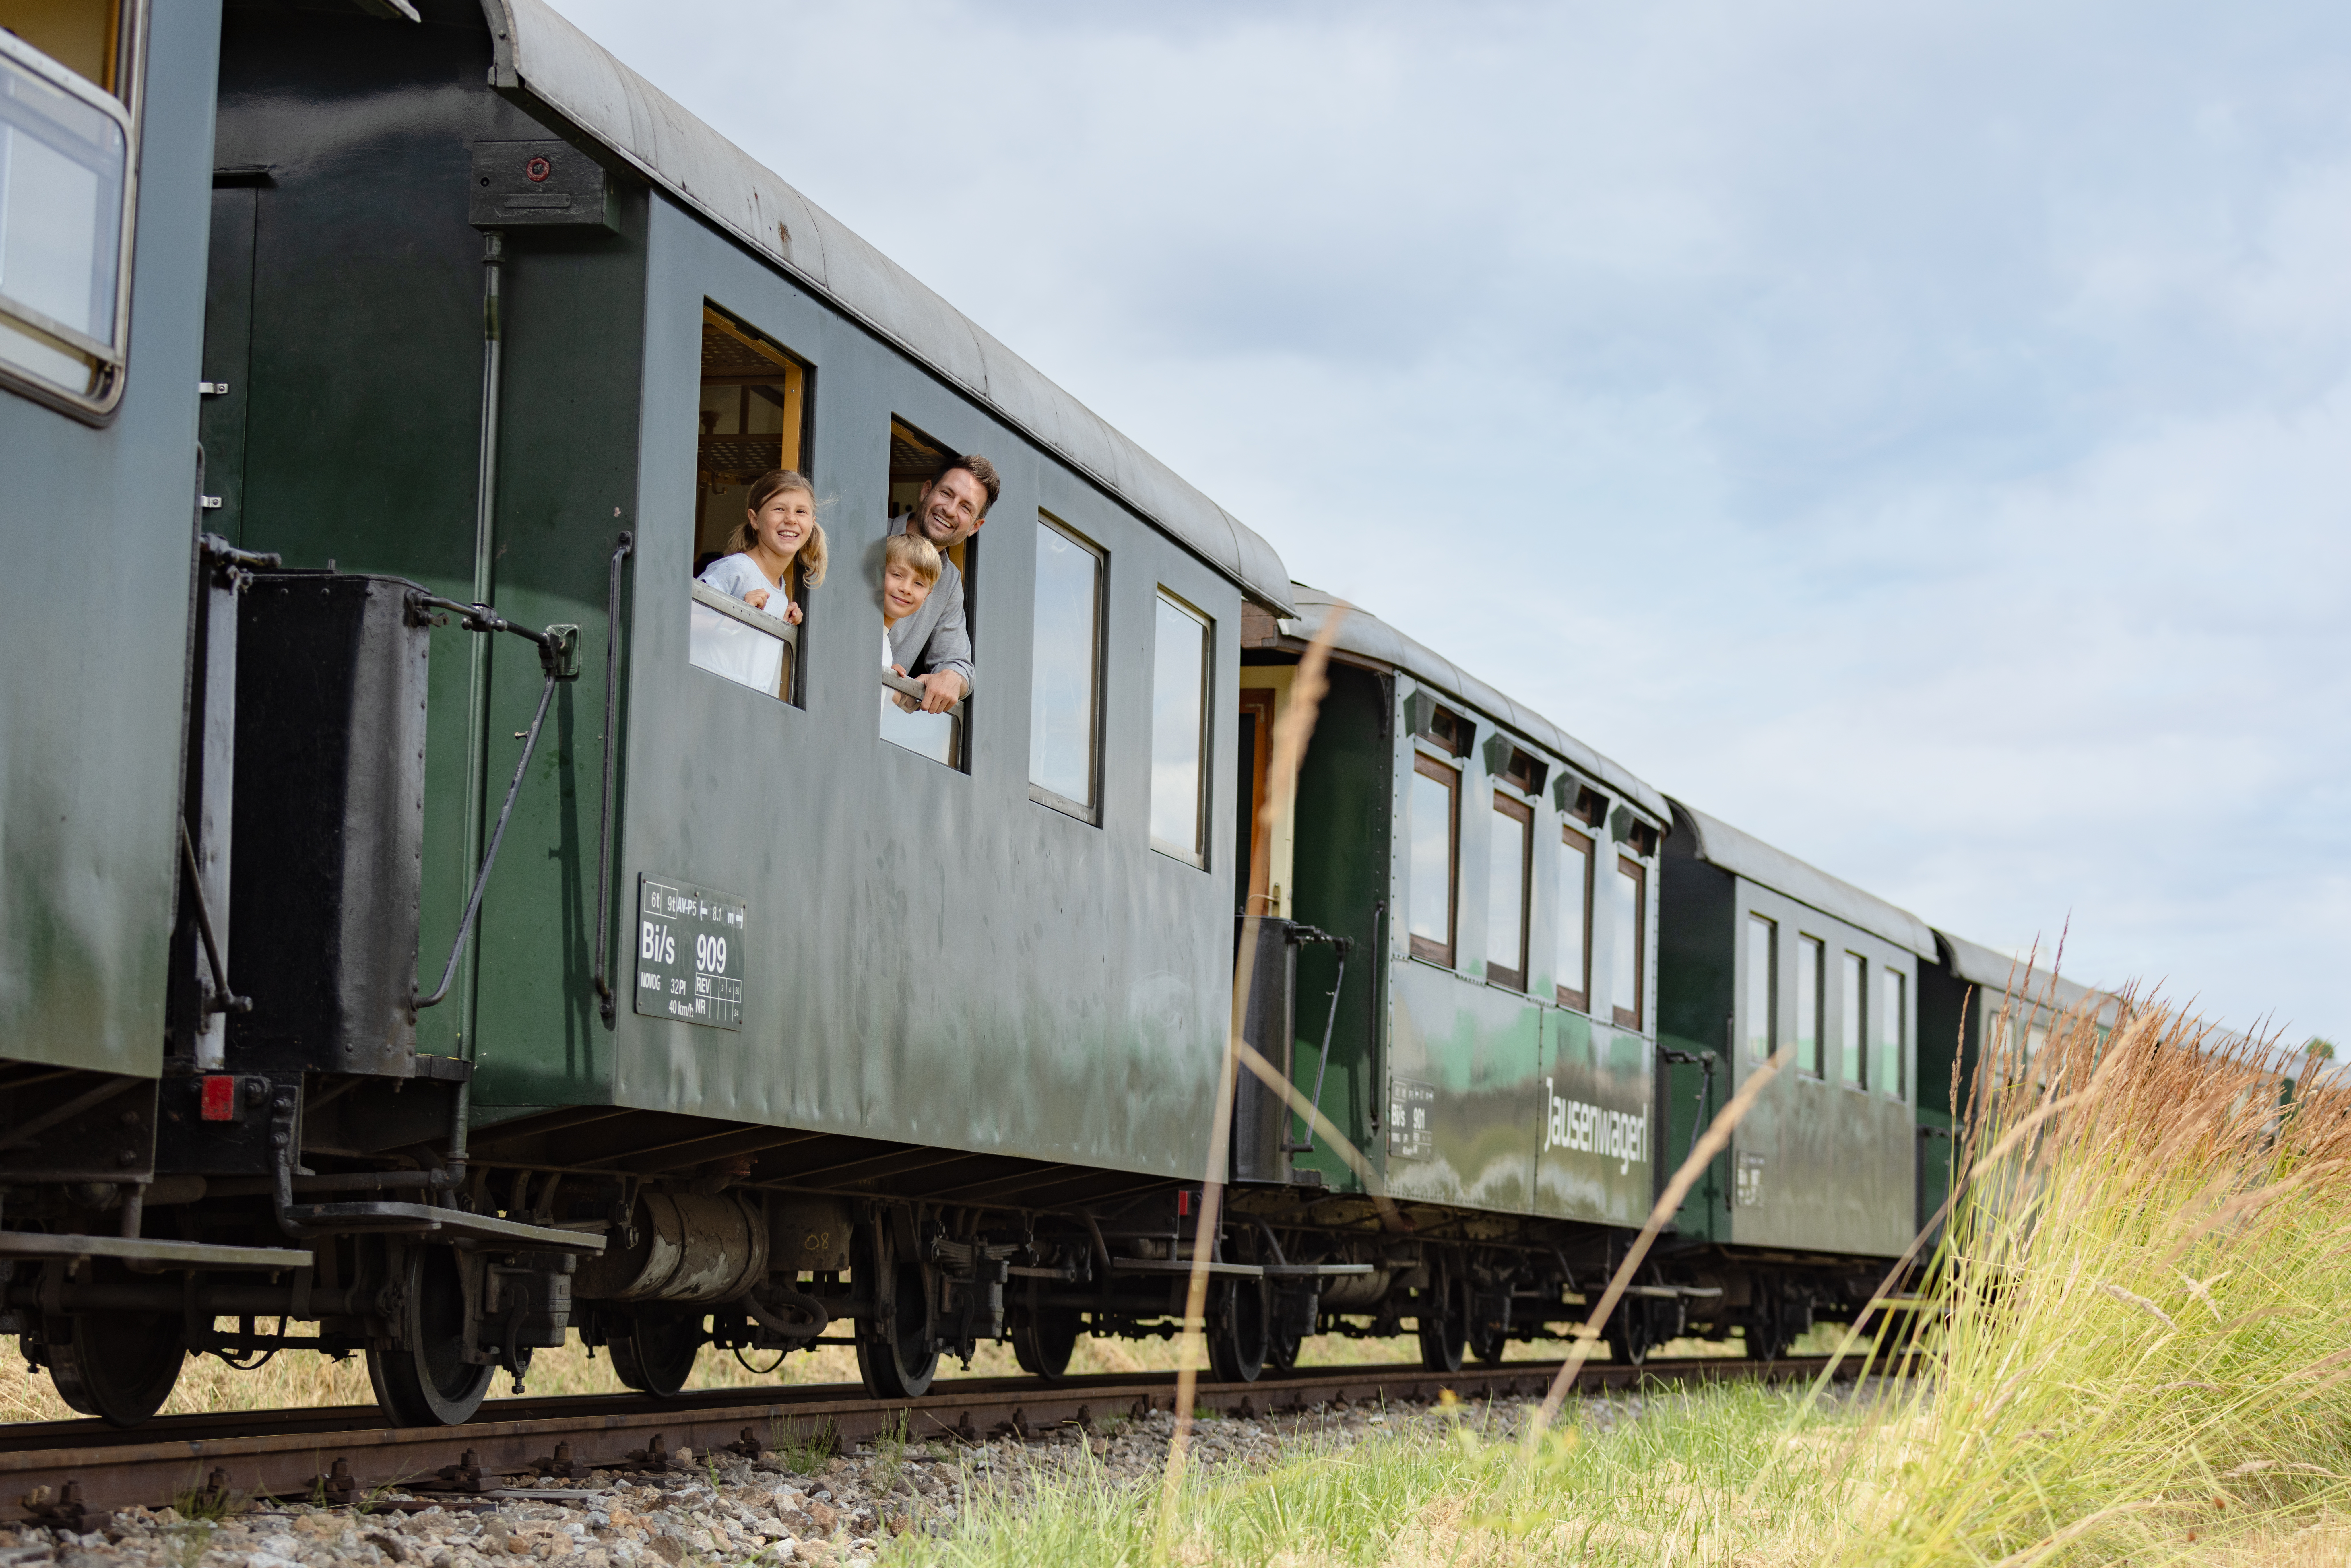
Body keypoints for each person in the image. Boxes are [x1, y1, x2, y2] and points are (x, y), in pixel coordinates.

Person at [889, 454, 998, 713]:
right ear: (926, 491)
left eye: (966, 508)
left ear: (975, 527)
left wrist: (952, 677)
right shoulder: (868, 533)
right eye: (947, 494)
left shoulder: (949, 582)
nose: (950, 510)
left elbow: (958, 664)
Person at [698, 470, 828, 620]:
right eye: (779, 509)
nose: (791, 519)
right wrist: (741, 615)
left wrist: (780, 626)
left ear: (812, 524)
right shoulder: (738, 568)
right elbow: (685, 617)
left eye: (801, 511)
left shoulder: (782, 595)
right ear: (755, 520)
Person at [880, 531, 942, 700]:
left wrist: (892, 691)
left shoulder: (883, 644)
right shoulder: (864, 638)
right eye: (897, 575)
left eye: (919, 583)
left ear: (927, 597)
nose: (906, 589)